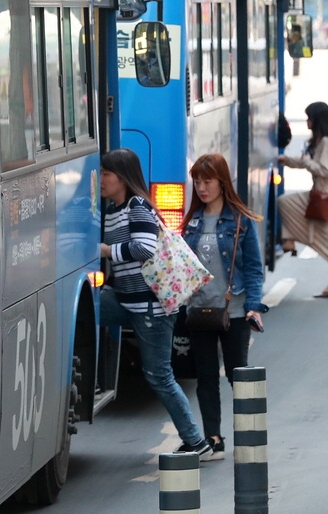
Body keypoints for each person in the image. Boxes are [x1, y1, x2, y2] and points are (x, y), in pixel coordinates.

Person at [99, 148, 212, 460]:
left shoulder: (137, 207)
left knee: (159, 376)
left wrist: (108, 251)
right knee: (89, 307)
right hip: (125, 299)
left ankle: (196, 442)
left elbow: (145, 248)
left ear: (121, 178)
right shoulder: (112, 209)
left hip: (151, 308)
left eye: (106, 174)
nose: (101, 180)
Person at [181, 153, 267, 461]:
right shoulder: (191, 222)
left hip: (234, 312)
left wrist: (254, 306)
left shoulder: (239, 221)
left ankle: (249, 433)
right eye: (198, 182)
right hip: (200, 311)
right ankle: (213, 438)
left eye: (208, 181)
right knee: (205, 378)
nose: (202, 188)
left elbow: (255, 269)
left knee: (236, 374)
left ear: (222, 182)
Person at [277, 101, 328, 298]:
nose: (307, 121)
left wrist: (306, 162)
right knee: (285, 202)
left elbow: (324, 169)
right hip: (316, 196)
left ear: (317, 120)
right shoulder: (319, 141)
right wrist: (287, 161)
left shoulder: (327, 143)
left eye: (309, 118)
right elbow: (308, 162)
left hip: (326, 199)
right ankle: (289, 240)